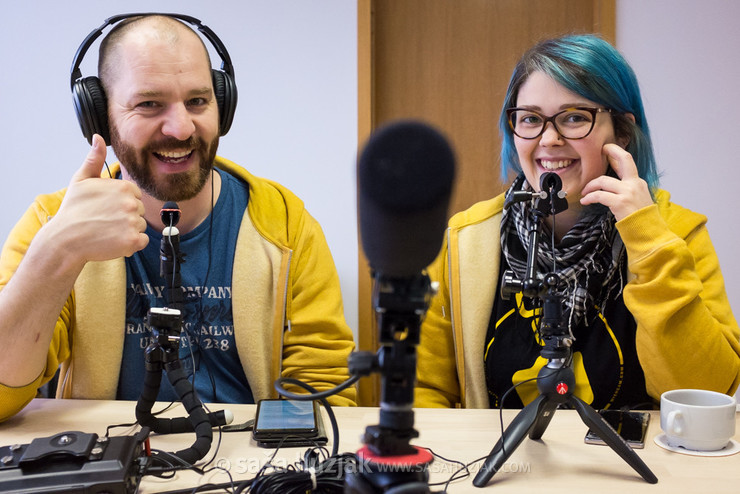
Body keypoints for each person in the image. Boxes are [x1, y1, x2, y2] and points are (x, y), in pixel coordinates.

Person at [0, 14, 356, 422]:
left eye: (198, 101)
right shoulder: (52, 222)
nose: (182, 127)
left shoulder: (285, 226)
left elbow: (326, 396)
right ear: (100, 118)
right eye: (149, 104)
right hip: (108, 465)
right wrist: (58, 249)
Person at [414, 34, 740, 410]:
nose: (549, 139)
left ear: (621, 132)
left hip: (638, 468)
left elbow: (708, 391)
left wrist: (646, 238)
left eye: (573, 117)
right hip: (503, 467)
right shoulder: (466, 240)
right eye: (531, 119)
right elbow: (426, 391)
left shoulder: (675, 233)